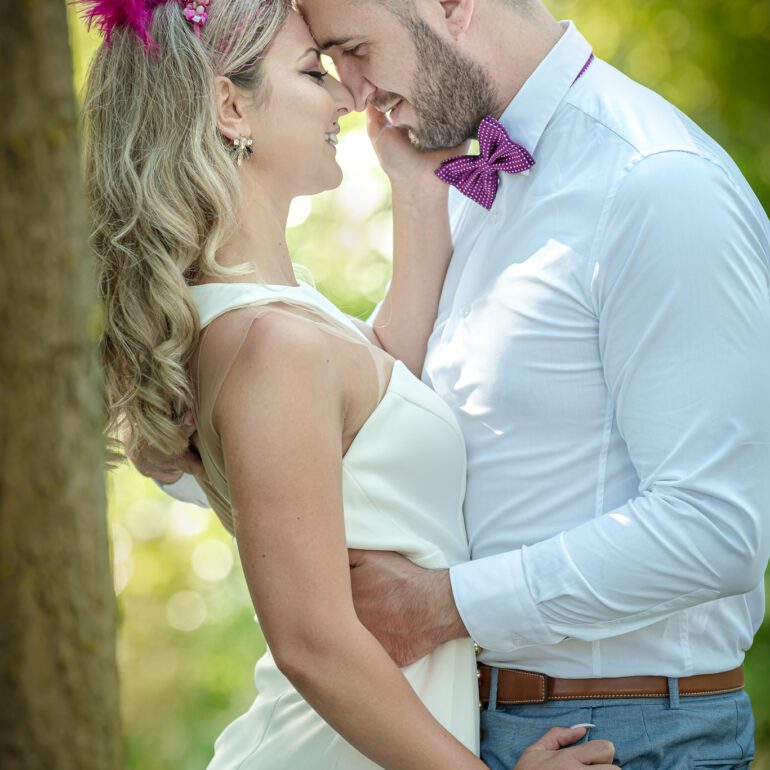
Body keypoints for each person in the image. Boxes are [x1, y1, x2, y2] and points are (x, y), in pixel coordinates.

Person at [146, 0, 770, 768]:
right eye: (324, 66)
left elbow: (716, 531)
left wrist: (439, 606)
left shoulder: (655, 185)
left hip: (626, 732)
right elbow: (376, 404)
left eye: (353, 50)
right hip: (464, 723)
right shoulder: (471, 187)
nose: (355, 92)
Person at [82, 0, 617, 767]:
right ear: (230, 107)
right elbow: (312, 643)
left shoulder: (271, 316)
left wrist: (415, 189)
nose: (347, 97)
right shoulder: (271, 344)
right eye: (313, 73)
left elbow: (385, 379)